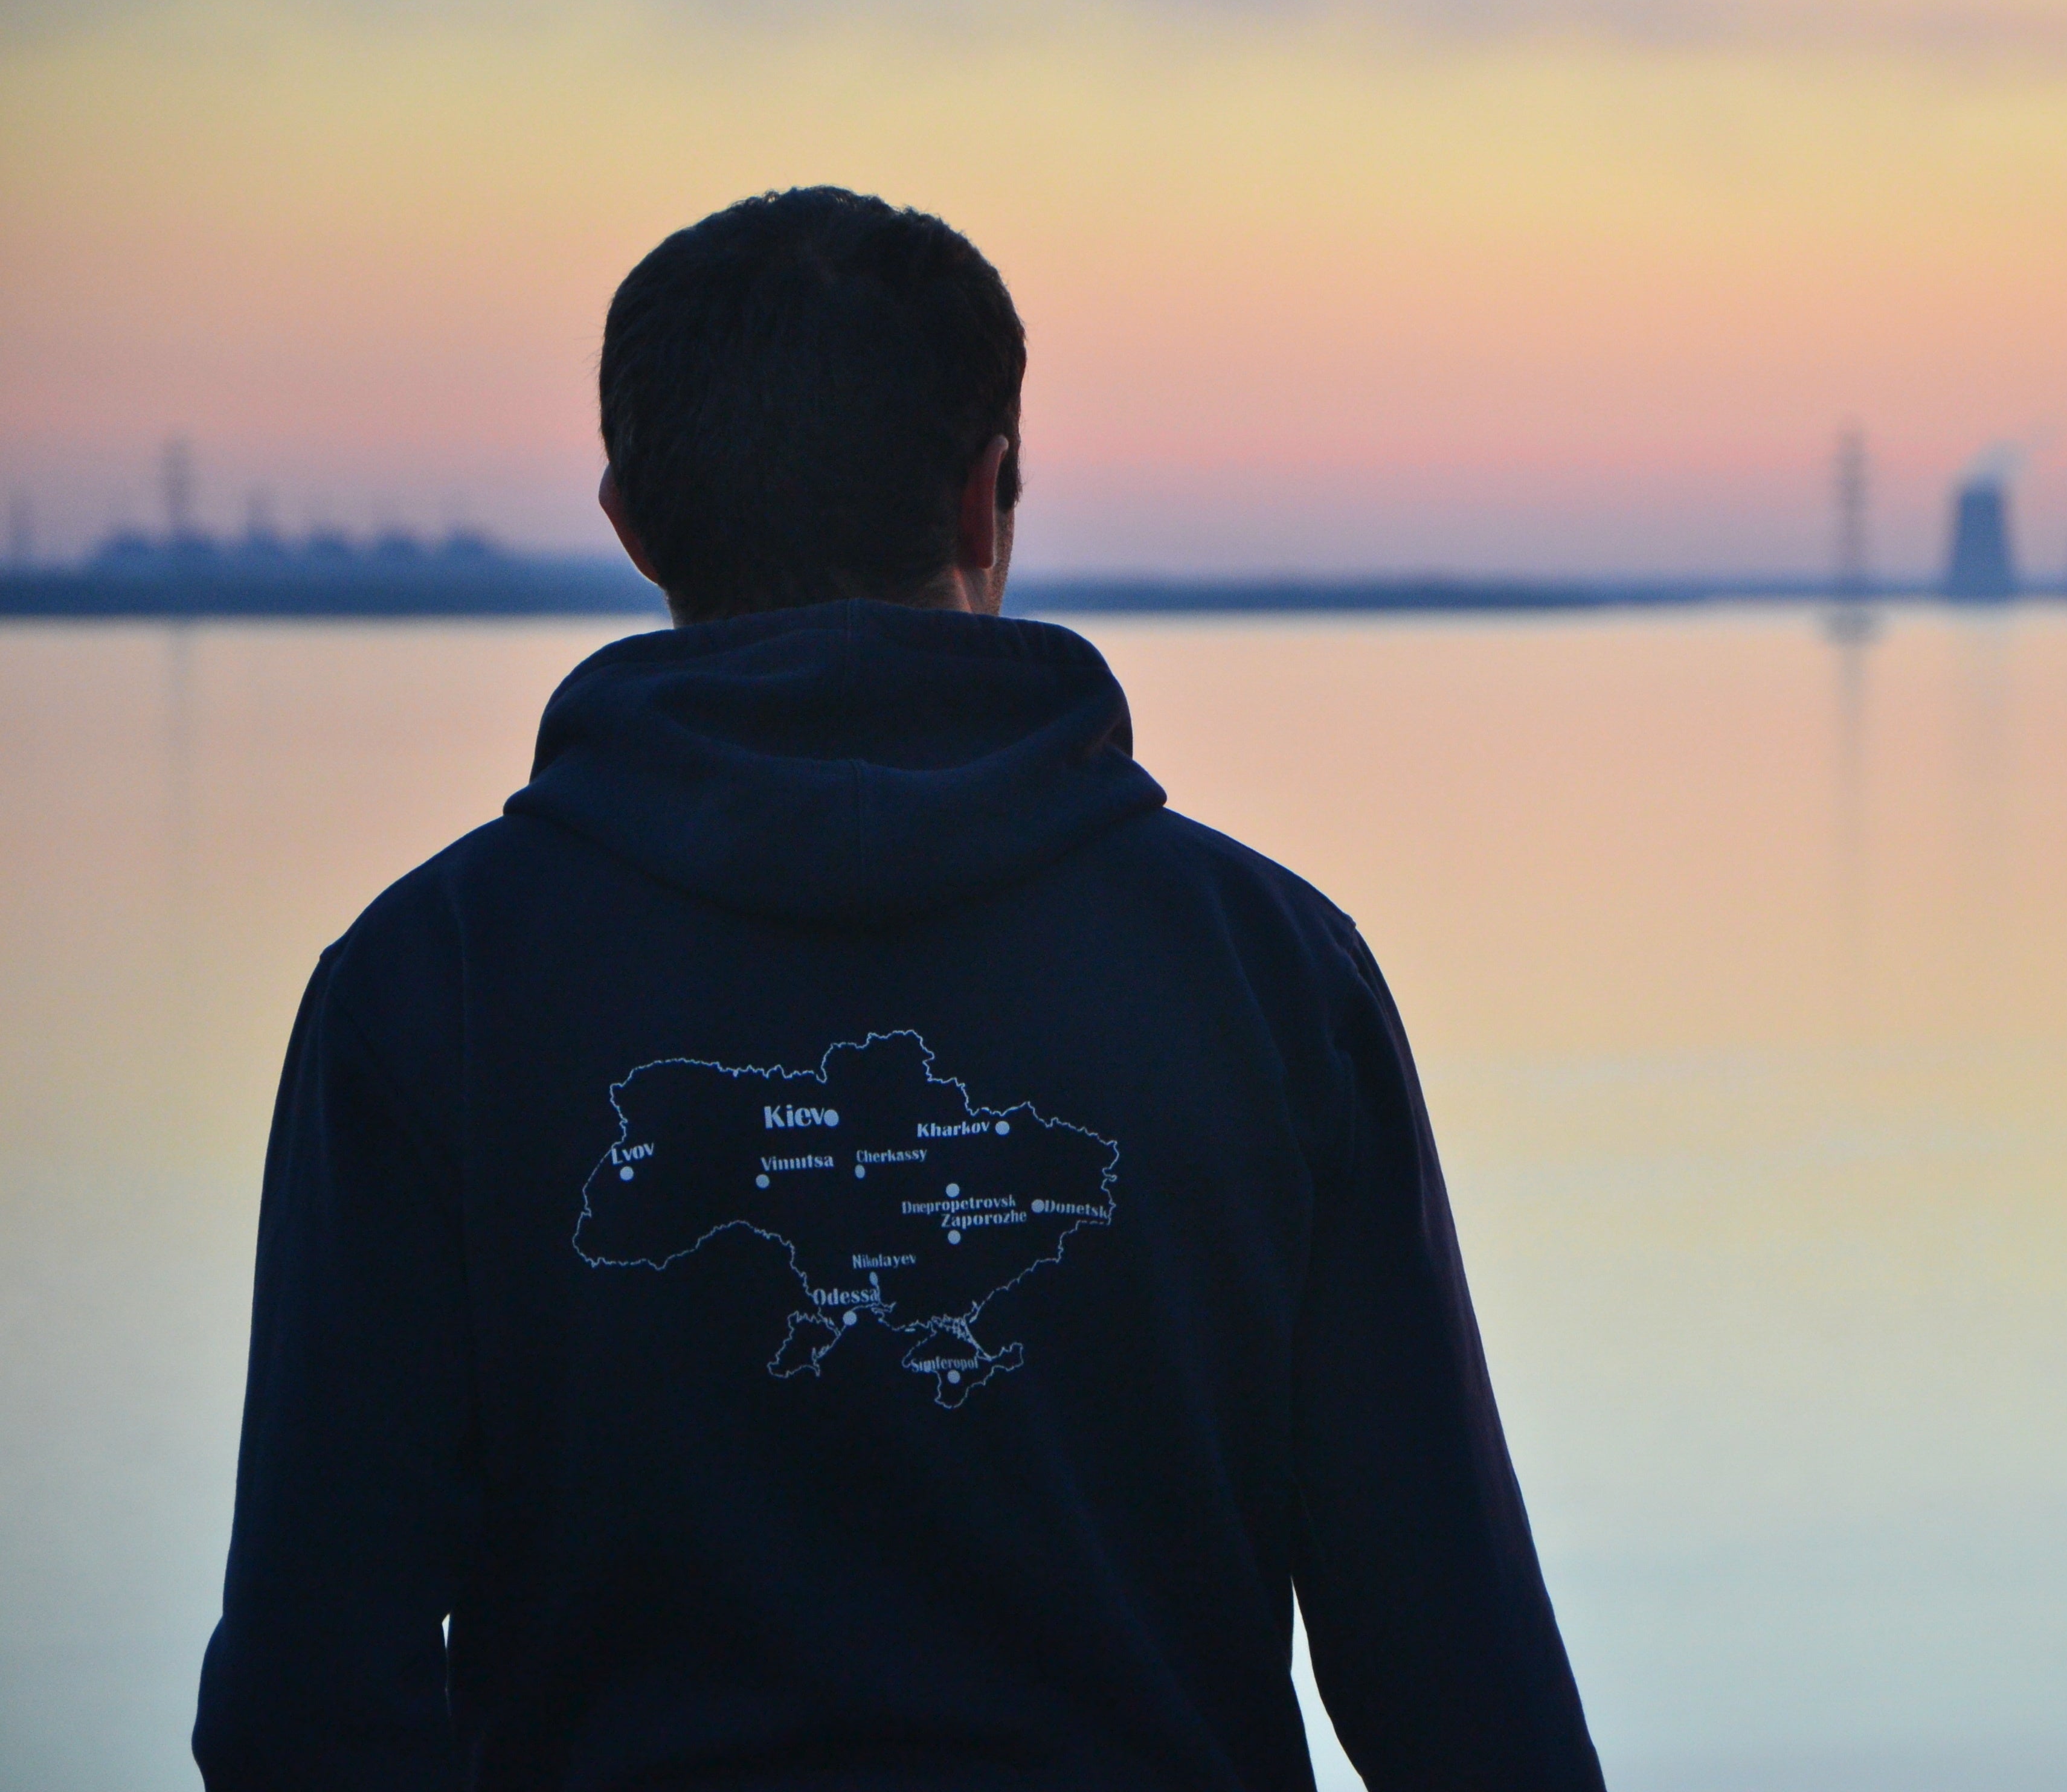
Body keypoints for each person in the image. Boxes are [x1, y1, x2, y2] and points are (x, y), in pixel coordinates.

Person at [191, 187, 1602, 1790]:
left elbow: (306, 1705)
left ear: (632, 522)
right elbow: (1464, 1696)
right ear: (987, 497)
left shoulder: (423, 988)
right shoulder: (1267, 977)